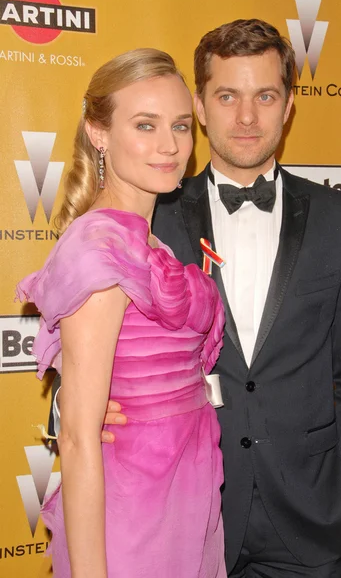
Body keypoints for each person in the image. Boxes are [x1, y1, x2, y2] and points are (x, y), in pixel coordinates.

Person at [51, 20, 341, 577]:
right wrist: (73, 406)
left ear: (290, 105)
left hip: (312, 517)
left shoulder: (340, 218)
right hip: (185, 512)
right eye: (227, 96)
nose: (248, 117)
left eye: (266, 95)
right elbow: (85, 334)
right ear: (201, 108)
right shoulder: (149, 208)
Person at [17, 48, 227, 578]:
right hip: (132, 511)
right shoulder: (101, 247)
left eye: (181, 125)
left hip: (185, 491)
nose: (170, 145)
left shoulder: (148, 239)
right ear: (99, 132)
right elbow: (79, 438)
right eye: (145, 124)